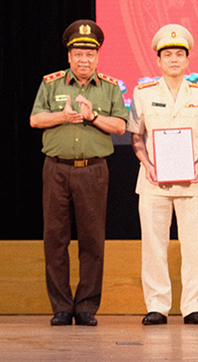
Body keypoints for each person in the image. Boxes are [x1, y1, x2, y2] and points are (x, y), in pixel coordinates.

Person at [30, 19, 128, 326]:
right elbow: (35, 120)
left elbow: (120, 126)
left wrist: (92, 116)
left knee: (92, 240)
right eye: (78, 54)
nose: (84, 60)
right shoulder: (52, 83)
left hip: (93, 170)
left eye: (89, 54)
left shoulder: (109, 87)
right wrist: (62, 116)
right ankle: (61, 306)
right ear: (69, 56)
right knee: (55, 239)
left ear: (97, 57)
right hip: (56, 169)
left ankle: (86, 306)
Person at [127, 24, 198, 326]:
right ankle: (157, 305)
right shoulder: (143, 93)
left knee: (194, 245)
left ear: (187, 60)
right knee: (154, 246)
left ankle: (193, 306)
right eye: (167, 55)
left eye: (179, 55)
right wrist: (147, 163)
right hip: (153, 182)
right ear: (158, 60)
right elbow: (136, 136)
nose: (173, 59)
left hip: (191, 182)